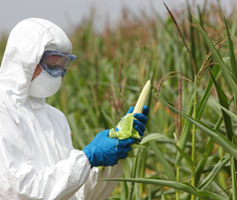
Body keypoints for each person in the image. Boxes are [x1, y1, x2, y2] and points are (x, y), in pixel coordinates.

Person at [0, 18, 148, 199]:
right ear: (26, 61)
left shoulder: (55, 118)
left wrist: (115, 154)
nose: (57, 74)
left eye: (61, 67)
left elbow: (75, 194)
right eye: (51, 66)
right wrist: (87, 158)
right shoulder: (4, 111)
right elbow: (19, 191)